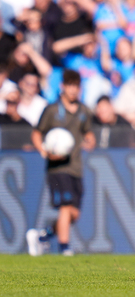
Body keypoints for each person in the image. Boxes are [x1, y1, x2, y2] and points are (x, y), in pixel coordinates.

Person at [26, 69, 95, 257]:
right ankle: (65, 248)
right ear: (62, 86)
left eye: (76, 86)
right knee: (65, 207)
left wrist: (90, 141)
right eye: (70, 85)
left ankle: (42, 236)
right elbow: (36, 133)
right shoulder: (52, 110)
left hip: (76, 167)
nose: (73, 90)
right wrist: (43, 151)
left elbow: (88, 134)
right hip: (57, 168)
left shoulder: (84, 111)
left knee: (74, 214)